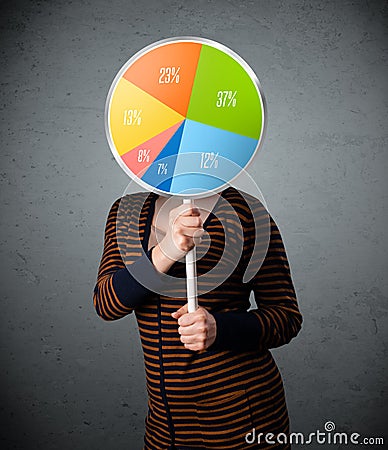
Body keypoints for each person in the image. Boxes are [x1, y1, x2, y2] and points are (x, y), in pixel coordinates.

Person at [93, 186, 303, 449]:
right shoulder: (127, 213)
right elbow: (106, 304)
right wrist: (167, 250)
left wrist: (220, 329)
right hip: (165, 422)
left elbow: (286, 316)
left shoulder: (247, 213)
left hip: (240, 416)